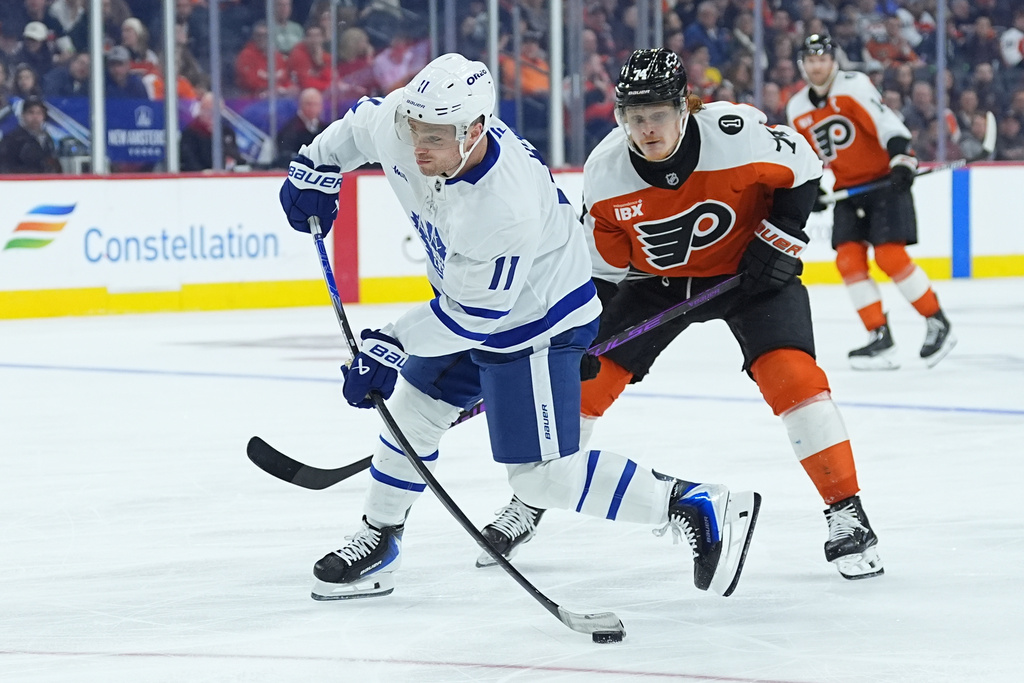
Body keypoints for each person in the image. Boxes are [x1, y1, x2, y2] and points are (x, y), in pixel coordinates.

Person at [276, 53, 761, 601]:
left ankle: (694, 503)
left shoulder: (501, 206)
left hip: (535, 322)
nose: (417, 148)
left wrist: (389, 345)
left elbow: (474, 317)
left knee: (540, 478)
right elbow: (363, 124)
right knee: (412, 411)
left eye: (434, 137)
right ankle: (380, 539)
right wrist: (316, 166)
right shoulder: (407, 122)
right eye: (414, 130)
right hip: (467, 304)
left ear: (474, 130)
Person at [477, 48, 885, 582]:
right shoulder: (605, 172)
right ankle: (533, 497)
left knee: (796, 379)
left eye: (658, 115)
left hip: (749, 276)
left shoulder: (736, 134)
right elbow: (599, 272)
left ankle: (846, 512)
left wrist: (782, 234)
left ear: (684, 108)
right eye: (634, 117)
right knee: (584, 389)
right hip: (655, 286)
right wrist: (575, 336)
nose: (646, 129)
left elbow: (804, 167)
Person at [787, 34, 955, 370]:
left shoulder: (854, 87)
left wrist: (901, 161)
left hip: (884, 183)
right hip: (848, 189)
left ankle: (938, 322)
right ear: (803, 65)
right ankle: (879, 336)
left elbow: (889, 126)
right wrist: (812, 189)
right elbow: (808, 159)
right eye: (810, 60)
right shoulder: (798, 108)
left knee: (890, 257)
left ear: (833, 61)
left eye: (822, 59)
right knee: (848, 261)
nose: (817, 66)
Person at [179, 91, 240, 171]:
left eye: (217, 112)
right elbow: (189, 161)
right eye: (209, 111)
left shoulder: (227, 132)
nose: (212, 116)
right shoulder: (190, 133)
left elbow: (234, 156)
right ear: (201, 110)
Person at [0, 95, 62, 173]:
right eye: (31, 112)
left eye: (39, 113)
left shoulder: (47, 139)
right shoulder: (11, 139)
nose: (35, 117)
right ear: (23, 115)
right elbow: (4, 167)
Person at [274, 87, 325, 166]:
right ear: (300, 104)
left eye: (316, 104)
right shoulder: (289, 130)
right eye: (309, 104)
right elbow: (285, 155)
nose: (312, 108)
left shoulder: (325, 129)